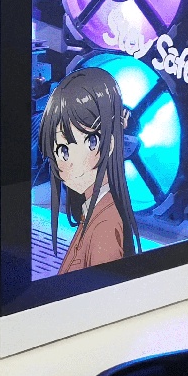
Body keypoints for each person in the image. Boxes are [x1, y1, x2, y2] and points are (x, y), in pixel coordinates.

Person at [38, 66, 141, 273]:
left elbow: (103, 288)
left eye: (91, 142)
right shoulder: (94, 212)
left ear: (107, 143)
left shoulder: (105, 226)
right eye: (61, 150)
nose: (62, 163)